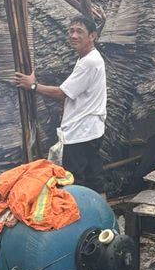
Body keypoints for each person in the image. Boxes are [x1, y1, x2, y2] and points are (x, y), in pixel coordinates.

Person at [13, 15, 107, 194]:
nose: (73, 35)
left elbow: (61, 93)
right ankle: (102, 212)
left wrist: (32, 85)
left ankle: (77, 216)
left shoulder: (89, 62)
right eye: (71, 31)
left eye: (79, 31)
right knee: (94, 176)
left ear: (92, 36)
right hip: (91, 129)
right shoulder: (89, 58)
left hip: (81, 132)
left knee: (74, 180)